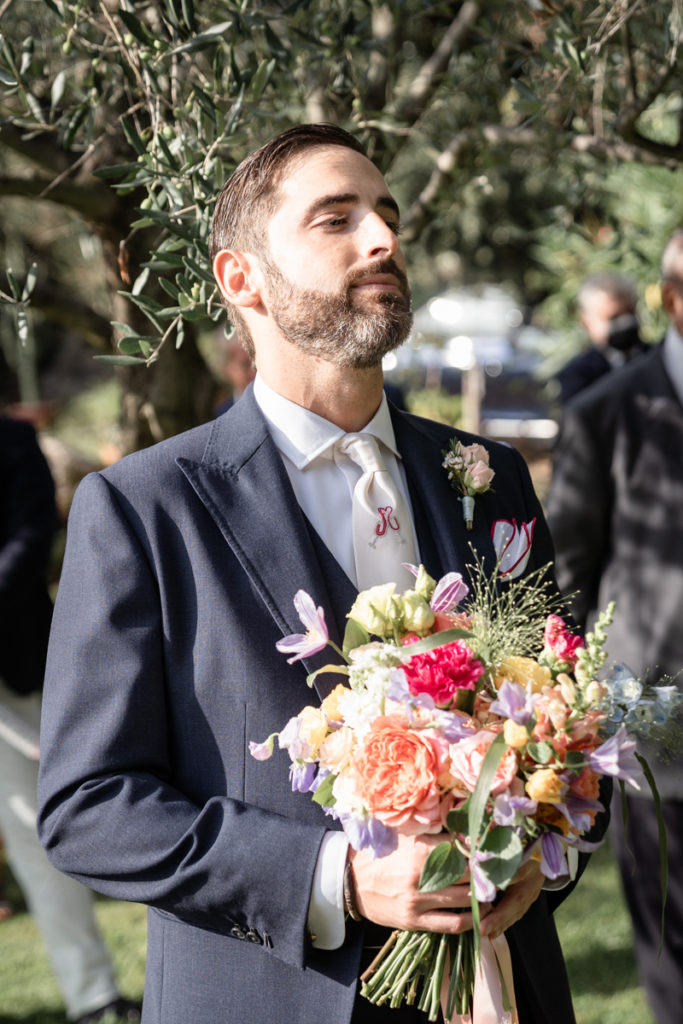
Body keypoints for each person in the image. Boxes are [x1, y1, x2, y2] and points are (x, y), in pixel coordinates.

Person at [37, 124, 605, 1024]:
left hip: (505, 991)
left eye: (384, 213)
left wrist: (540, 854)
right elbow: (89, 807)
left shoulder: (488, 479)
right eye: (335, 219)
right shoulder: (143, 509)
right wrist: (334, 878)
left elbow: (570, 731)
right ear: (242, 279)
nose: (382, 238)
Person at [546, 230, 683, 1024]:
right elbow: (568, 572)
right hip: (660, 727)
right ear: (671, 299)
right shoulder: (606, 412)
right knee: (671, 950)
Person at [0, 414, 141, 1024]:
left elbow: (29, 538)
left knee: (36, 835)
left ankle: (92, 995)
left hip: (15, 671)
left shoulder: (12, 441)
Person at [556, 272, 648, 404]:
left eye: (629, 312)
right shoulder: (576, 376)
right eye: (613, 318)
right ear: (586, 323)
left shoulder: (660, 357)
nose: (625, 323)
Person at [213, 331, 257, 416]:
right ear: (227, 370)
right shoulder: (222, 416)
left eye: (257, 362)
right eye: (245, 365)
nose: (254, 372)